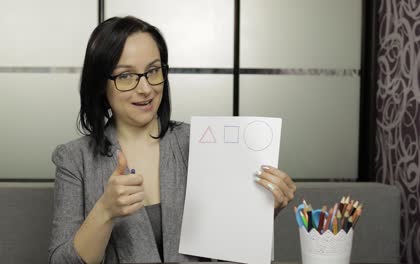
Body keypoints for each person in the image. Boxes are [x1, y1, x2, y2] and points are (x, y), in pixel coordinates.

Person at [49, 16, 296, 264]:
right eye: (126, 76)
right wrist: (105, 211)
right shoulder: (74, 159)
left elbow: (230, 252)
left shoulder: (198, 143)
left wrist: (263, 210)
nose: (146, 88)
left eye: (153, 71)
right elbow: (61, 261)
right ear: (101, 84)